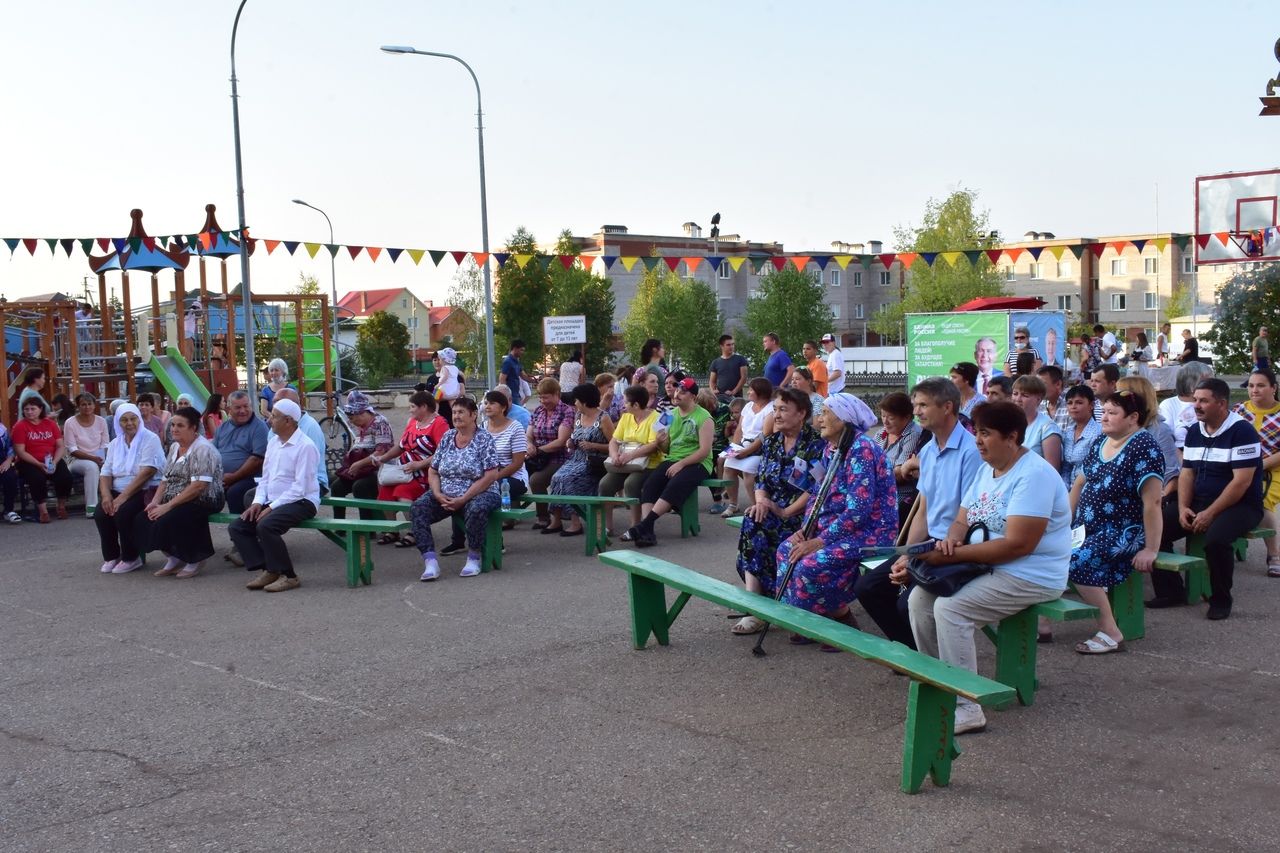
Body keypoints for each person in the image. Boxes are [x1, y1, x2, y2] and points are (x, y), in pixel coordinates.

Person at [908, 401, 1072, 735]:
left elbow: (1018, 545)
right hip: (986, 564)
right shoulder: (988, 467)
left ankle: (968, 706)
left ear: (1012, 437)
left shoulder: (1034, 474)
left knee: (951, 609)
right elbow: (961, 518)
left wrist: (955, 556)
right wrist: (949, 542)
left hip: (1032, 573)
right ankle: (943, 684)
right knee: (918, 600)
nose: (978, 441)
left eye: (986, 433)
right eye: (976, 432)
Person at [865, 377, 982, 648]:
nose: (916, 411)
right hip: (928, 546)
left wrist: (917, 559)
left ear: (947, 407)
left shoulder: (971, 451)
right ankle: (914, 654)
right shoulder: (928, 451)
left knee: (908, 604)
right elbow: (923, 511)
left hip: (954, 548)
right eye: (915, 404)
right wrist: (908, 553)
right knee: (869, 587)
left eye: (923, 405)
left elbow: (967, 517)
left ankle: (929, 662)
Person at [774, 394, 897, 648]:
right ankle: (806, 620)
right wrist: (805, 530)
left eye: (826, 413)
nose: (819, 419)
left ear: (845, 419)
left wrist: (819, 540)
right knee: (786, 550)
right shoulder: (832, 448)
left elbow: (857, 512)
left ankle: (841, 620)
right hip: (836, 527)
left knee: (811, 563)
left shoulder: (861, 450)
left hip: (871, 531)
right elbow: (817, 494)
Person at [1149, 378, 1265, 620]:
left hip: (1241, 505)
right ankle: (1171, 592)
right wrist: (1182, 507)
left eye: (1203, 401)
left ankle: (1221, 599)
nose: (1196, 406)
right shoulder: (1194, 431)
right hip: (1199, 501)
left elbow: (1241, 483)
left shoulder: (1243, 431)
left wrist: (1210, 513)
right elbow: (1187, 473)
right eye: (1195, 400)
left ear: (1222, 404)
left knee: (1216, 540)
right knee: (1153, 528)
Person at [1068, 391, 1165, 653]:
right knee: (1045, 550)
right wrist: (1063, 521)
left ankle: (1110, 631)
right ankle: (1041, 622)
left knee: (1075, 562)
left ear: (1133, 417)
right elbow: (1079, 482)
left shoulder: (1144, 446)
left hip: (1124, 531)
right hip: (1086, 528)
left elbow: (1153, 503)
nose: (1105, 417)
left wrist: (1151, 549)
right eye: (1105, 412)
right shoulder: (1102, 440)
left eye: (1112, 413)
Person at [731, 388, 828, 634]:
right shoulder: (772, 442)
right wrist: (762, 503)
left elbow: (817, 489)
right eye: (775, 409)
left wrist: (785, 512)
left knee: (765, 526)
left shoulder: (816, 445)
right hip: (773, 510)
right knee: (753, 519)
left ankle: (767, 603)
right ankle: (755, 606)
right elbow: (761, 480)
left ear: (801, 413)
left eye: (783, 409)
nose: (776, 414)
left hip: (803, 516)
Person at [225, 399, 319, 592]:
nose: (269, 420)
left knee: (266, 526)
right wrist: (258, 503)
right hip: (275, 501)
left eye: (274, 416)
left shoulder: (305, 446)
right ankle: (270, 569)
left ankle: (290, 576)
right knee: (238, 527)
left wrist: (271, 507)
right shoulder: (274, 443)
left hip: (302, 501)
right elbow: (265, 479)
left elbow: (300, 488)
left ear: (289, 421)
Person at [411, 397, 502, 581]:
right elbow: (433, 470)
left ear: (473, 415)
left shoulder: (484, 439)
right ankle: (430, 562)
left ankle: (474, 557)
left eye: (461, 412)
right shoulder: (447, 437)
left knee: (477, 508)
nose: (456, 416)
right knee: (418, 508)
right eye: (454, 412)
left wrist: (464, 498)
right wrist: (437, 494)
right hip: (445, 494)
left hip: (481, 492)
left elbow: (490, 475)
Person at [136, 407, 225, 579]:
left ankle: (195, 559)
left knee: (172, 517)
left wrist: (167, 506)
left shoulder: (203, 449)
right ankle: (174, 557)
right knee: (143, 519)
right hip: (177, 497)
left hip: (205, 498)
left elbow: (199, 486)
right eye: (173, 425)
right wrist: (156, 502)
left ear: (193, 428)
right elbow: (165, 479)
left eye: (180, 426)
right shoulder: (175, 447)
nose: (174, 429)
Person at [626, 376, 715, 547]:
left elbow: (704, 451)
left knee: (675, 484)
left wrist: (681, 464)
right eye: (677, 390)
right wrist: (661, 442)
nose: (677, 393)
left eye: (683, 391)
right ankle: (647, 530)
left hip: (699, 463)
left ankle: (644, 525)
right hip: (673, 458)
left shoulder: (704, 418)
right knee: (650, 484)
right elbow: (666, 449)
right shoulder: (668, 415)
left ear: (693, 397)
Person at [371, 391, 450, 545]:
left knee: (403, 492)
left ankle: (415, 530)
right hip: (405, 471)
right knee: (385, 492)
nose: (410, 410)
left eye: (413, 406)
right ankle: (392, 530)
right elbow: (401, 446)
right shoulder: (413, 422)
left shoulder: (440, 424)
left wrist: (419, 464)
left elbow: (444, 453)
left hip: (426, 474)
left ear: (424, 407)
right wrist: (383, 458)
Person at [94, 403, 165, 573]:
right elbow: (105, 472)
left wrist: (122, 497)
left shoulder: (150, 439)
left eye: (133, 419)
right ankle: (112, 556)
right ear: (118, 422)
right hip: (119, 490)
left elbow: (147, 472)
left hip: (146, 490)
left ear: (139, 419)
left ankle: (131, 557)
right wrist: (106, 496)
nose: (129, 423)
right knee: (101, 513)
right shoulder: (114, 444)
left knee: (123, 512)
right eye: (124, 420)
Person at [544, 383, 614, 536]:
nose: (574, 403)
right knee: (556, 478)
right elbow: (575, 437)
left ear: (584, 400)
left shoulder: (603, 418)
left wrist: (593, 445)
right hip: (576, 458)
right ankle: (556, 519)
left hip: (594, 461)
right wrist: (571, 442)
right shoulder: (578, 416)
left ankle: (576, 522)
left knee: (569, 479)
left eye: (576, 400)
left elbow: (614, 446)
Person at [600, 384, 664, 538]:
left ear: (636, 404)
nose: (622, 405)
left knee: (631, 484)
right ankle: (607, 526)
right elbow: (614, 440)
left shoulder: (657, 418)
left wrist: (630, 456)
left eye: (625, 402)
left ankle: (635, 526)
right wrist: (614, 455)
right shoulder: (626, 417)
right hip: (624, 462)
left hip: (648, 464)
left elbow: (653, 445)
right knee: (605, 485)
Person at [1232, 369, 1280, 575]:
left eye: (1260, 385)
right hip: (1240, 468)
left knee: (1261, 499)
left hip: (1274, 469)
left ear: (1273, 388)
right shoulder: (1239, 411)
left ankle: (1274, 554)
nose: (1254, 390)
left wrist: (1260, 465)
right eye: (1251, 386)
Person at [329, 390, 394, 521]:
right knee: (336, 487)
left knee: (360, 487)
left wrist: (358, 464)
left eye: (352, 417)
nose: (351, 421)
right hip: (362, 470)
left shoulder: (380, 423)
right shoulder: (361, 427)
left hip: (379, 469)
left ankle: (367, 528)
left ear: (362, 413)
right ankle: (339, 524)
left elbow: (381, 452)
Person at [213, 390, 269, 533]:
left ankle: (241, 538)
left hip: (250, 478)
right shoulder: (222, 428)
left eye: (246, 406)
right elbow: (212, 454)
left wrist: (233, 478)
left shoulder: (259, 427)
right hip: (223, 479)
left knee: (235, 492)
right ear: (229, 409)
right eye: (238, 407)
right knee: (195, 492)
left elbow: (257, 459)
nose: (243, 411)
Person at [720, 377, 775, 517]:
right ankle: (733, 504)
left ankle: (755, 506)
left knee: (748, 471)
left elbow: (764, 435)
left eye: (751, 389)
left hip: (759, 450)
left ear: (760, 392)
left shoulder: (771, 408)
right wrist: (734, 448)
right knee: (727, 465)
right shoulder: (748, 406)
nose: (748, 392)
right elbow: (739, 429)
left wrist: (746, 452)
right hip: (743, 446)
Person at [12, 398, 73, 523]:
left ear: (40, 409)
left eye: (33, 409)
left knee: (65, 477)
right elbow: (20, 451)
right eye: (26, 409)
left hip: (51, 459)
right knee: (37, 479)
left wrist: (55, 462)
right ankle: (43, 511)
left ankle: (61, 506)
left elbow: (60, 445)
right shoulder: (20, 426)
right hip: (29, 461)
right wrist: (38, 464)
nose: (29, 412)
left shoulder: (50, 424)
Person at [525, 377, 574, 528]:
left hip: (560, 457)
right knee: (510, 473)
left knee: (536, 480)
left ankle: (544, 516)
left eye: (546, 397)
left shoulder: (567, 411)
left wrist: (539, 450)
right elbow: (528, 434)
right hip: (538, 457)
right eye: (540, 397)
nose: (542, 401)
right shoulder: (538, 411)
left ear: (556, 394)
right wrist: (529, 445)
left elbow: (561, 441)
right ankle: (510, 515)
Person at [1116, 375, 1180, 491]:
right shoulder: (1117, 429)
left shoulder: (1160, 430)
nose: (1114, 399)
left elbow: (1171, 475)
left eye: (1119, 395)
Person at [876, 390, 925, 529]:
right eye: (882, 415)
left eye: (890, 417)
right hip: (877, 489)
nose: (884, 421)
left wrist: (871, 475)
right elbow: (869, 460)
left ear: (906, 418)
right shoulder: (881, 433)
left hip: (898, 493)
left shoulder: (913, 434)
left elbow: (900, 473)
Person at [271, 388, 329, 496]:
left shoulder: (310, 427)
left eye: (279, 402)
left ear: (294, 406)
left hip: (312, 482)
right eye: (274, 402)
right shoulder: (275, 427)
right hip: (284, 480)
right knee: (251, 496)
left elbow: (308, 471)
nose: (274, 406)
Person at [63, 392, 109, 516]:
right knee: (91, 467)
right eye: (83, 404)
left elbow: (105, 444)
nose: (87, 407)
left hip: (99, 457)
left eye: (90, 404)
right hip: (76, 460)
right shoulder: (70, 423)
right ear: (78, 406)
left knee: (114, 467)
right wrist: (93, 458)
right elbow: (72, 449)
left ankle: (113, 503)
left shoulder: (101, 421)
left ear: (94, 405)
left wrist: (103, 458)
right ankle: (91, 508)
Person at [1158, 360, 1215, 454]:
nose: (1212, 386)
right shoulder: (1169, 405)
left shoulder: (1213, 402)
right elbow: (1167, 441)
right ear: (1191, 384)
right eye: (1207, 382)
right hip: (1180, 456)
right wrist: (1184, 464)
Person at [1012, 375, 1063, 472]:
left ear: (1038, 399)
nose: (1018, 399)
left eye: (1025, 395)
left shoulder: (1047, 428)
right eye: (1015, 393)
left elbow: (1052, 471)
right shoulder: (1008, 423)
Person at [1060, 385, 1102, 489]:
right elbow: (1066, 467)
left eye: (1079, 402)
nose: (1073, 406)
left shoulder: (1099, 433)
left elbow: (1096, 469)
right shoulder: (1068, 433)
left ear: (1091, 405)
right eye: (1069, 403)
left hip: (1089, 490)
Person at [708, 334, 748, 398]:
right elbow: (712, 381)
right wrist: (713, 391)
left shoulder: (741, 359)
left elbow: (744, 378)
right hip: (720, 397)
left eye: (733, 344)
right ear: (721, 346)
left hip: (736, 398)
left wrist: (734, 392)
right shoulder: (715, 362)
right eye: (728, 345)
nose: (731, 347)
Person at [1037, 365, 1071, 434]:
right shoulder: (1039, 405)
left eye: (1042, 384)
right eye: (1037, 384)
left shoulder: (1071, 404)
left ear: (1058, 384)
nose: (1038, 388)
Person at [433, 348, 464, 424]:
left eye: (439, 359)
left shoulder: (444, 368)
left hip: (445, 389)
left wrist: (438, 384)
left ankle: (435, 413)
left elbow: (445, 377)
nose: (439, 361)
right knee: (452, 402)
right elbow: (461, 375)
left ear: (443, 360)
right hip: (453, 390)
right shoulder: (455, 368)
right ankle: (456, 413)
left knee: (435, 399)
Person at [501, 340, 531, 405]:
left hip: (516, 394)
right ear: (515, 348)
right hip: (510, 396)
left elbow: (523, 376)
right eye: (521, 350)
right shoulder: (508, 362)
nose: (523, 352)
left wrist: (535, 380)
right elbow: (502, 379)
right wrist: (506, 395)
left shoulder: (516, 362)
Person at [0, 422, 19, 524]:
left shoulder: (2, 429)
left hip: (2, 462)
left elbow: (10, 448)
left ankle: (8, 510)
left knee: (10, 477)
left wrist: (8, 460)